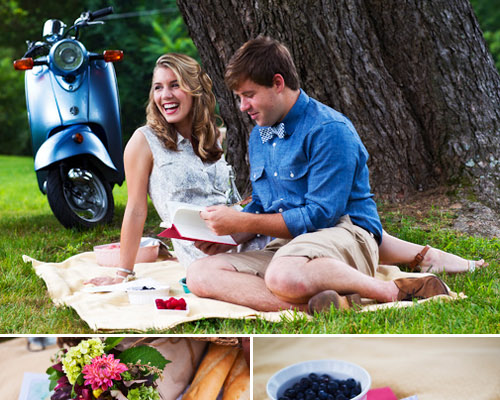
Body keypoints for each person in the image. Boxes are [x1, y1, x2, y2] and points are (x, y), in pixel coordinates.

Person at [186, 36, 483, 313]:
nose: (243, 107)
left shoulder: (328, 130)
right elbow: (264, 207)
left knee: (283, 274)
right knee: (200, 273)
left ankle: (390, 291)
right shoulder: (260, 136)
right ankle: (321, 305)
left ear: (278, 83)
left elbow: (321, 215)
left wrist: (244, 220)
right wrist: (232, 232)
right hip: (290, 248)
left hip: (345, 233)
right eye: (239, 98)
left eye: (248, 95)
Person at [98, 53, 238, 287]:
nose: (165, 95)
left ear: (195, 90)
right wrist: (122, 274)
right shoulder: (144, 141)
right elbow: (135, 210)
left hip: (238, 232)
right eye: (158, 87)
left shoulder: (212, 136)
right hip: (205, 253)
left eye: (175, 85)